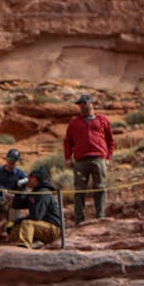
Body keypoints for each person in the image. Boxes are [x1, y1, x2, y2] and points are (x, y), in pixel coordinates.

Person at [63, 94, 114, 224]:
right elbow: (68, 141)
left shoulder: (102, 119)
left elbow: (110, 140)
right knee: (80, 190)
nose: (82, 106)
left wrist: (108, 157)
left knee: (100, 188)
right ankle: (79, 220)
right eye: (80, 104)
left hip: (99, 158)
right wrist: (68, 157)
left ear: (91, 103)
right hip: (81, 160)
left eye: (84, 103)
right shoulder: (74, 122)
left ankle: (100, 216)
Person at [11, 166, 63, 249]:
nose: (28, 179)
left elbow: (37, 216)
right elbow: (17, 205)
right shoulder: (35, 193)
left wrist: (21, 220)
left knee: (27, 223)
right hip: (40, 225)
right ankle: (37, 242)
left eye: (30, 177)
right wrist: (20, 190)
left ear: (36, 178)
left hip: (53, 228)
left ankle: (25, 246)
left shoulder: (43, 193)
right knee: (14, 228)